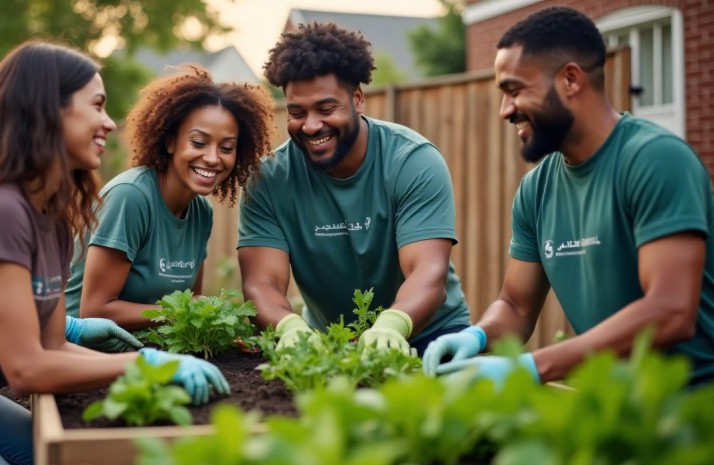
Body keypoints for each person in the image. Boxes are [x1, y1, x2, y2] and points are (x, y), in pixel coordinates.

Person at [0, 41, 230, 465]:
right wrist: (148, 366)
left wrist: (146, 366)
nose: (109, 123)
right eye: (96, 106)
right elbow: (26, 370)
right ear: (47, 112)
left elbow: (52, 344)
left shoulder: (53, 216)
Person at [423, 6, 714, 387]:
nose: (504, 110)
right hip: (611, 407)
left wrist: (532, 367)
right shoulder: (536, 189)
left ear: (571, 79)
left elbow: (671, 311)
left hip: (693, 411)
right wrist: (475, 336)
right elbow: (516, 305)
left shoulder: (655, 160)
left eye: (514, 90)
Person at [237, 22, 471, 355]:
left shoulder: (411, 161)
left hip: (427, 334)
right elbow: (263, 282)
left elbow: (427, 272)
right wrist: (288, 327)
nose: (312, 125)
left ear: (357, 99)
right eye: (297, 112)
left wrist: (393, 325)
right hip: (325, 344)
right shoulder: (268, 180)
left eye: (326, 108)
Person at [65, 64, 274, 330]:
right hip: (83, 351)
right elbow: (95, 311)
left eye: (226, 147)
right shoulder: (130, 197)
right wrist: (187, 311)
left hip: (148, 347)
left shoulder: (200, 212)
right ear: (170, 142)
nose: (212, 158)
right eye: (198, 143)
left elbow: (189, 300)